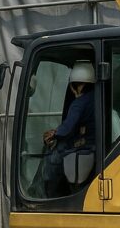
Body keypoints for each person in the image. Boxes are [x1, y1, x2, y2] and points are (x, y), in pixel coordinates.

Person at [41, 60, 96, 196]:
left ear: (75, 86)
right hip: (93, 144)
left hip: (83, 147)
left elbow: (66, 129)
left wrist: (54, 134)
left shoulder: (79, 103)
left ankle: (50, 194)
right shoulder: (97, 98)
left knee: (53, 157)